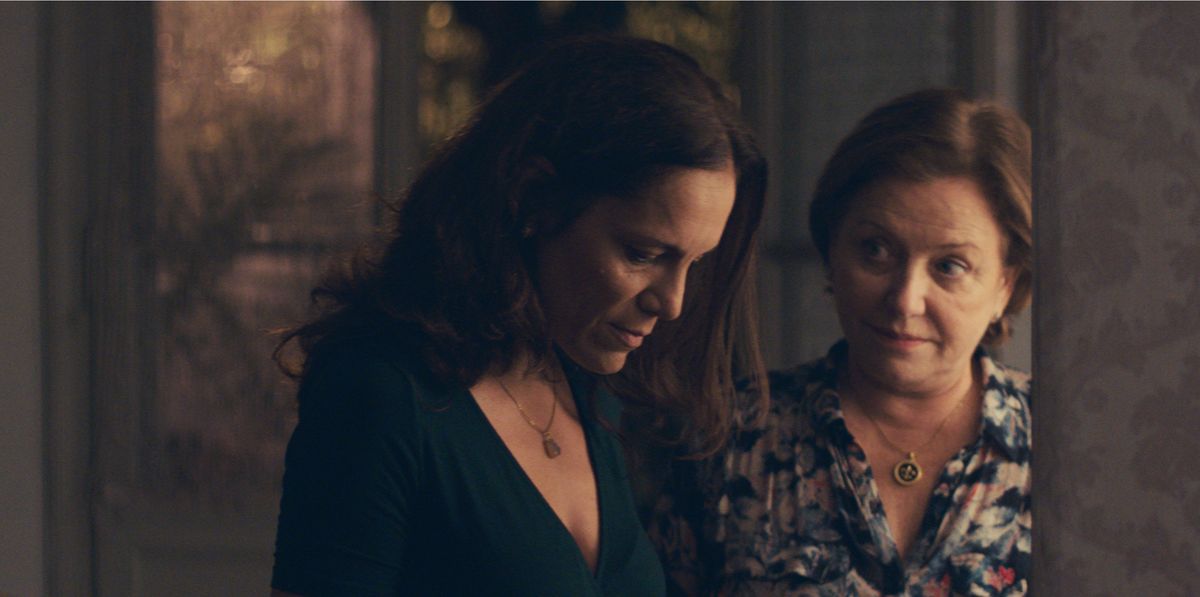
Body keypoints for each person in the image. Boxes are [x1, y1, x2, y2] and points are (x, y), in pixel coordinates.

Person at [269, 35, 768, 596]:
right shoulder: (380, 393)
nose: (672, 303)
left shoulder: (586, 385)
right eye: (642, 254)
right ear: (533, 198)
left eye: (693, 263)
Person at [651, 88, 1033, 595]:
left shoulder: (1063, 448)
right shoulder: (728, 435)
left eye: (949, 266)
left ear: (1006, 285)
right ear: (832, 248)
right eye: (875, 250)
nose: (905, 300)